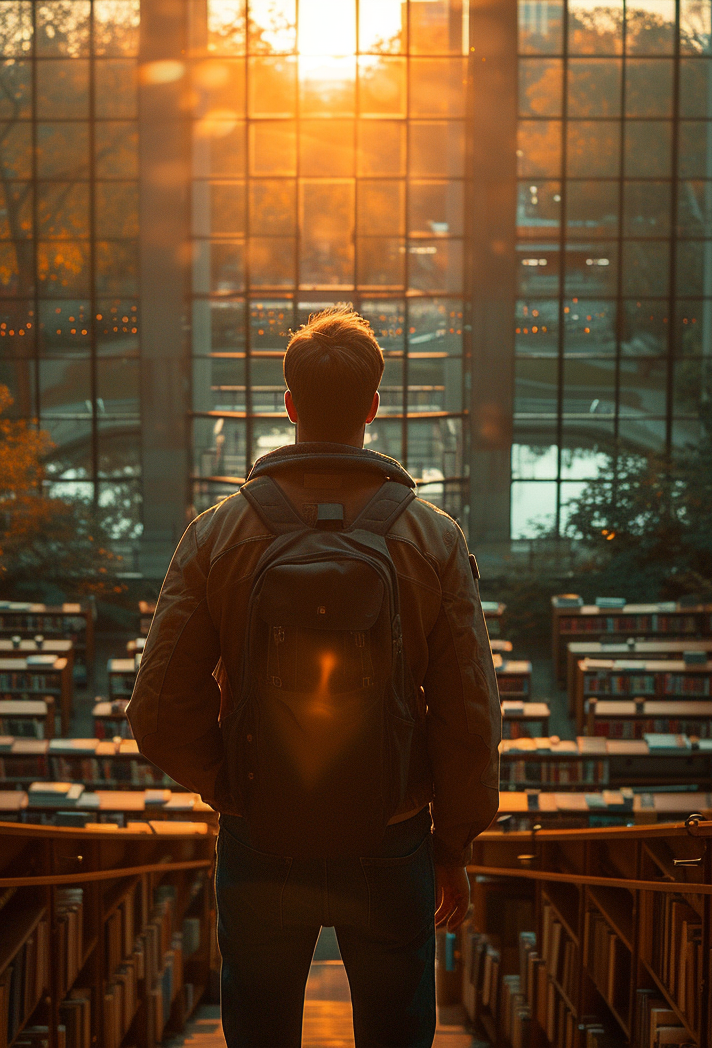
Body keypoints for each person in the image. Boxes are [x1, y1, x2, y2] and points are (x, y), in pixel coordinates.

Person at [127, 305, 502, 1048]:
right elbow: (468, 713)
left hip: (262, 830)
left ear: (288, 405)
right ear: (373, 406)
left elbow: (160, 706)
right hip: (391, 835)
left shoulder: (217, 533)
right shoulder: (431, 535)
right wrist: (453, 845)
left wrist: (229, 781)